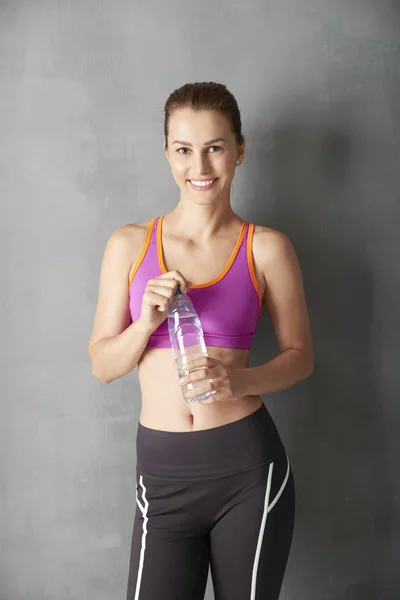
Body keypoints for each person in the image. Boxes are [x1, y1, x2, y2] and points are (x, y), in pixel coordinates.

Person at [88, 81, 314, 600]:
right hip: (162, 478)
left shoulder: (267, 248)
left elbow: (301, 358)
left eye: (215, 148)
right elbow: (103, 364)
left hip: (247, 471)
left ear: (239, 149)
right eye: (184, 150)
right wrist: (145, 322)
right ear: (167, 152)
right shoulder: (128, 244)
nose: (201, 167)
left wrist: (239, 380)